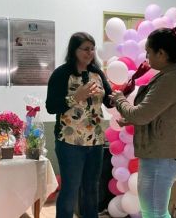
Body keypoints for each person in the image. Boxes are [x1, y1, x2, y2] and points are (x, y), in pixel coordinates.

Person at [109, 26, 176, 218]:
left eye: (149, 53)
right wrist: (131, 118)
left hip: (163, 156)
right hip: (162, 154)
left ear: (162, 53)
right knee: (154, 210)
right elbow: (156, 113)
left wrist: (120, 99)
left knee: (154, 212)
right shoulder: (169, 75)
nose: (146, 58)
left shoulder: (170, 79)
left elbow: (141, 114)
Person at [46, 32, 113, 218]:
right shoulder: (61, 74)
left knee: (92, 189)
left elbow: (108, 101)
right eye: (85, 49)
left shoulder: (97, 73)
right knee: (70, 189)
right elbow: (51, 106)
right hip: (70, 143)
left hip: (96, 142)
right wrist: (76, 97)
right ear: (74, 50)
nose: (90, 53)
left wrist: (120, 98)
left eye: (92, 49)